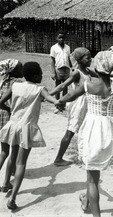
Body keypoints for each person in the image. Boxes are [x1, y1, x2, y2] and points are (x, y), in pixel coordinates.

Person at [57, 51, 113, 217]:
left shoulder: (88, 85)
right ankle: (85, 202)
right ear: (112, 66)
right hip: (109, 131)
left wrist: (59, 101)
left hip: (92, 130)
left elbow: (69, 95)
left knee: (92, 179)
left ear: (96, 68)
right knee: (94, 171)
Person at [0, 62, 59, 210]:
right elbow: (52, 100)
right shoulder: (39, 89)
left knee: (12, 156)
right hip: (26, 128)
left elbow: (0, 101)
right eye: (40, 73)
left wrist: (11, 109)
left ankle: (6, 183)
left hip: (13, 125)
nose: (42, 75)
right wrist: (59, 102)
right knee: (21, 163)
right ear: (34, 75)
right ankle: (12, 198)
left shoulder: (15, 86)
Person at [49, 47, 96, 166]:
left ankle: (85, 154)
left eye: (91, 57)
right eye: (87, 58)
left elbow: (101, 75)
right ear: (79, 60)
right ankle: (58, 158)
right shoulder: (76, 73)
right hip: (78, 104)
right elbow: (62, 85)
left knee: (85, 129)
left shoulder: (87, 71)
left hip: (87, 103)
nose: (90, 59)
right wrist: (47, 95)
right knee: (70, 131)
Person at [0, 59, 23, 192]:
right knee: (9, 151)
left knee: (4, 149)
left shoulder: (2, 81)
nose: (22, 69)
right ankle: (6, 183)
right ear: (13, 70)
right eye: (19, 68)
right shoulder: (16, 83)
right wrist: (9, 110)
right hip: (7, 116)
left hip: (0, 115)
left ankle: (11, 173)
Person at [50, 30, 72, 113]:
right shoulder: (54, 48)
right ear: (56, 38)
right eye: (60, 38)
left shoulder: (68, 47)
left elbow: (68, 58)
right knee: (58, 88)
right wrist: (53, 72)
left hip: (66, 70)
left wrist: (72, 67)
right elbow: (52, 60)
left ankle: (63, 104)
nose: (61, 39)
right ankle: (57, 104)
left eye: (63, 37)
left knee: (65, 88)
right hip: (58, 70)